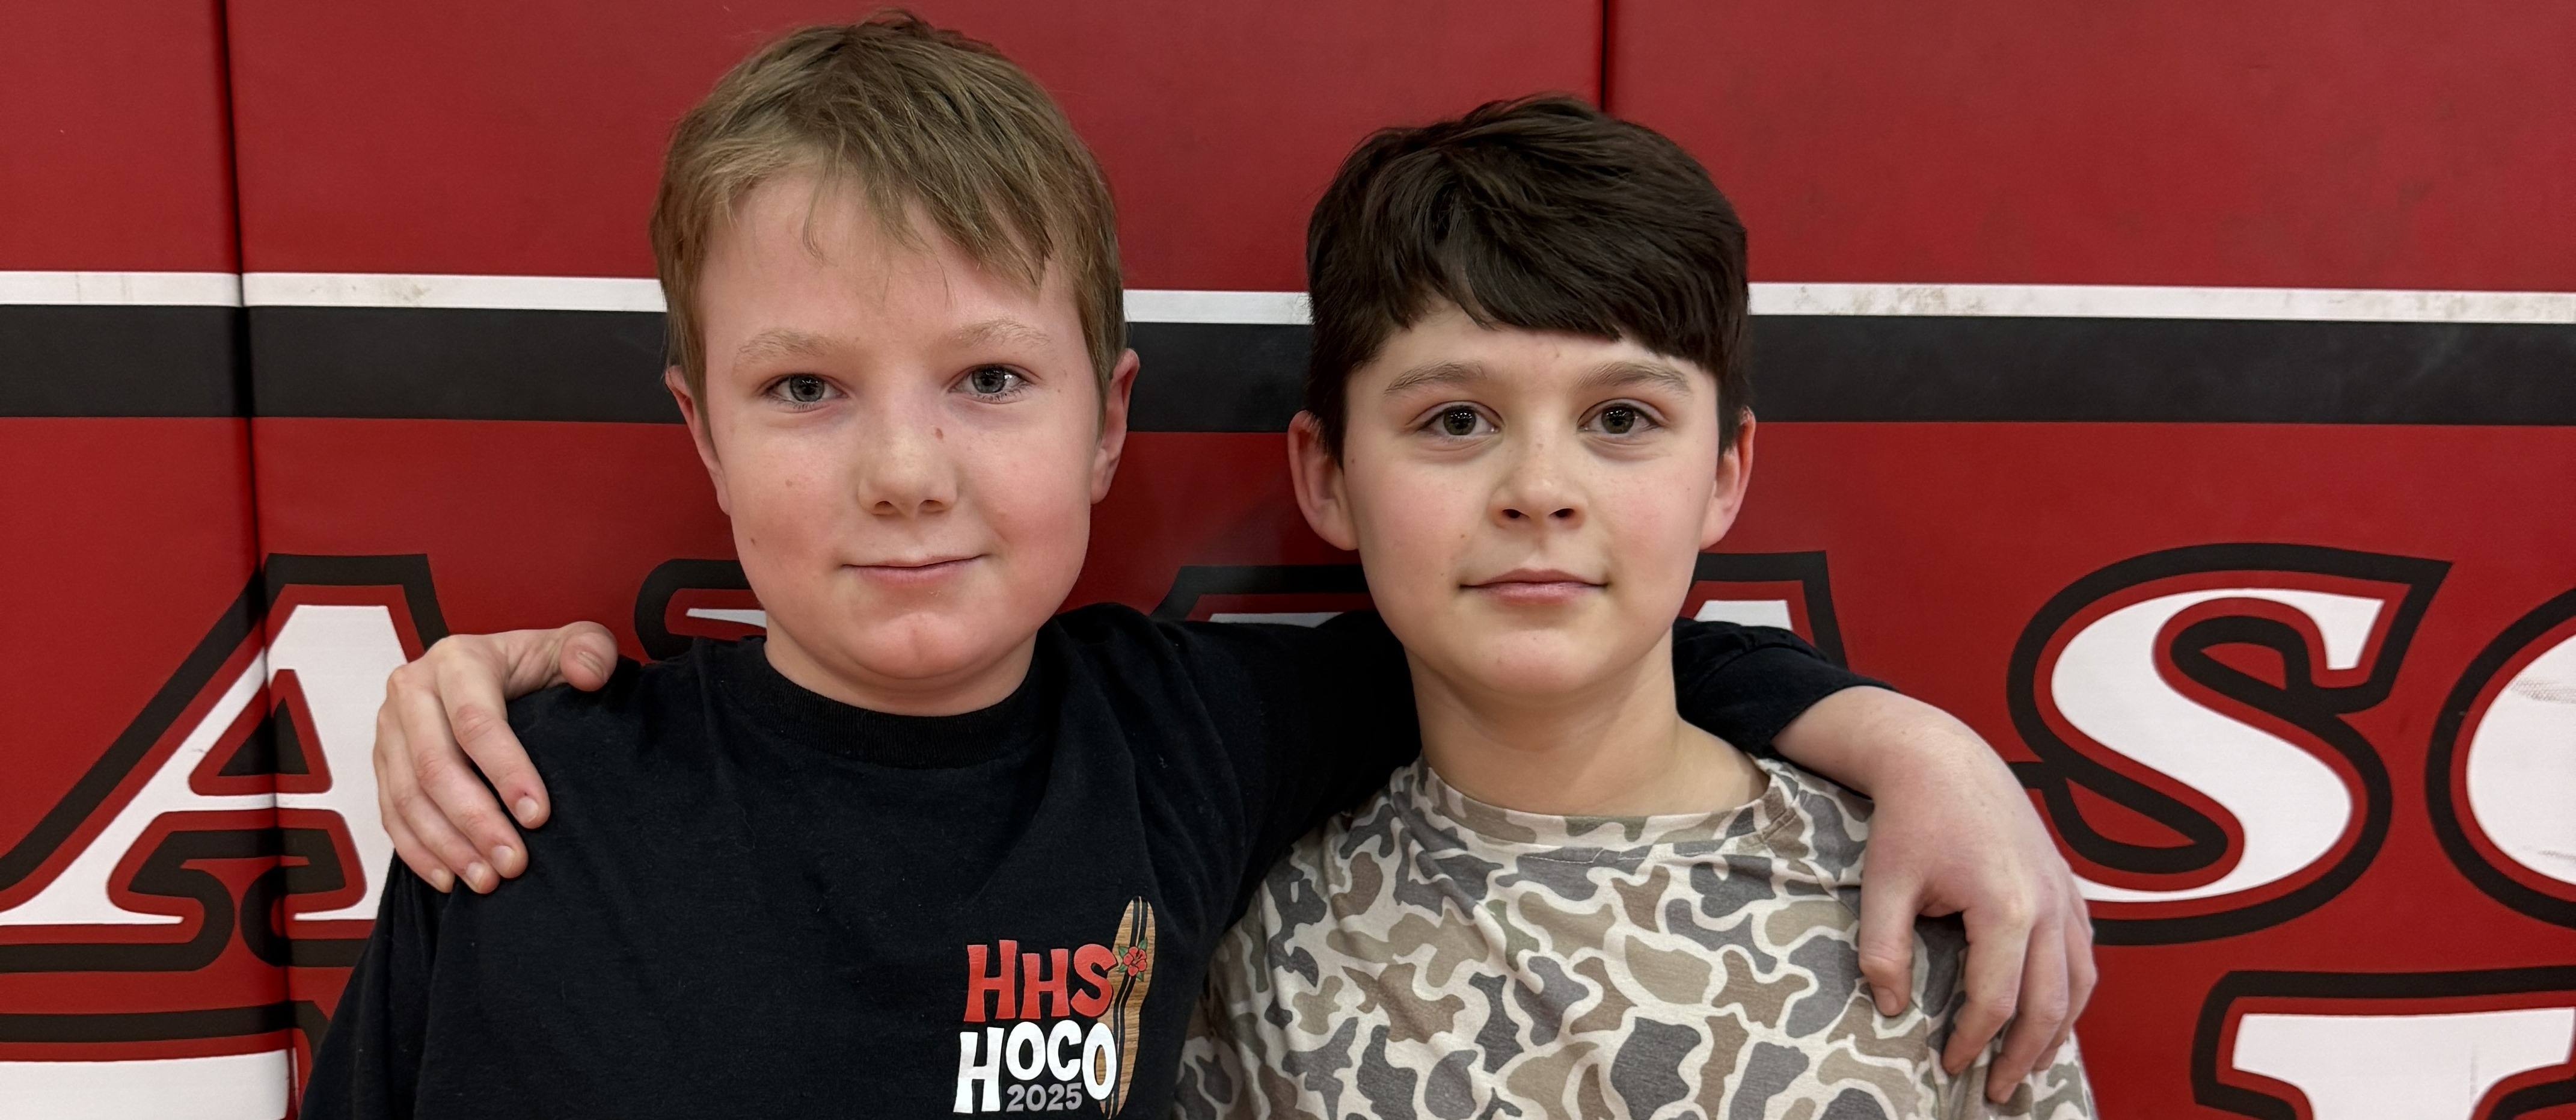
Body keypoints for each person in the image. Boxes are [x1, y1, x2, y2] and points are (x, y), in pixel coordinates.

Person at [333, 13, 2093, 1117]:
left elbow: (1553, 632)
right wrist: (461, 686)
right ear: (700, 431)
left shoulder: (1182, 732)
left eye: (987, 380)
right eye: (801, 388)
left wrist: (1901, 740)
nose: (899, 468)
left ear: (1107, 422)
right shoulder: (521, 794)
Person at [1170, 96, 2093, 1119]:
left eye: (1621, 417)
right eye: (1456, 418)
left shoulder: (1928, 890)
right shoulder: (1246, 931)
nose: (1540, 487)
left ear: (1724, 473)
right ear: (1330, 473)